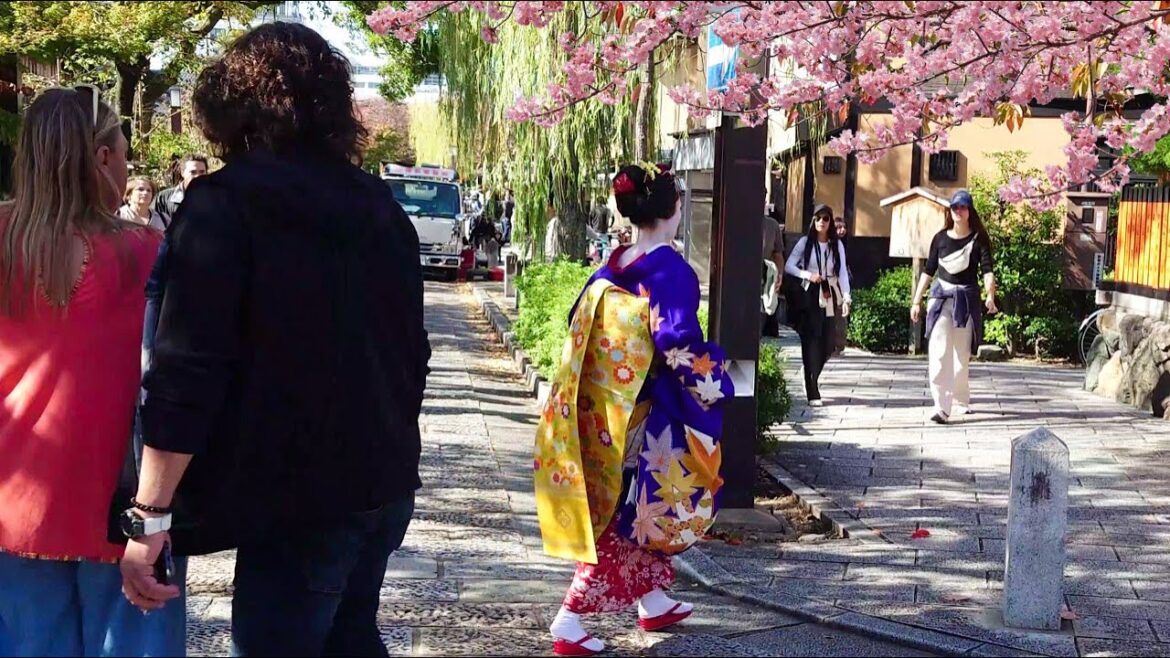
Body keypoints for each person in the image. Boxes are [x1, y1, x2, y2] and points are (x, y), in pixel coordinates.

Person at [118, 23, 430, 657]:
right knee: (349, 636)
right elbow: (412, 353)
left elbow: (186, 369)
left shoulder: (222, 205)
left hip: (296, 497)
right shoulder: (379, 206)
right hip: (381, 479)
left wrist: (149, 515)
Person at [0, 88, 176, 655]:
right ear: (101, 159)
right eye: (122, 152)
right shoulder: (150, 251)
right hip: (124, 508)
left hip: (13, 504)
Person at [535, 163, 734, 657]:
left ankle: (653, 599)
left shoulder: (616, 263)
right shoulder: (671, 270)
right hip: (652, 413)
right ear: (675, 209)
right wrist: (717, 384)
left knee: (633, 505)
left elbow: (576, 318)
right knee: (637, 513)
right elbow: (676, 341)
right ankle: (569, 620)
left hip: (613, 410)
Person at [910, 190, 997, 424]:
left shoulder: (978, 239)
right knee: (938, 354)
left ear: (970, 211)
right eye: (954, 207)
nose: (958, 211)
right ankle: (941, 407)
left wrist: (990, 296)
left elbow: (987, 270)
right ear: (950, 211)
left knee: (961, 357)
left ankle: (960, 398)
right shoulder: (940, 239)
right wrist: (916, 301)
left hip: (966, 302)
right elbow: (929, 271)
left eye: (963, 207)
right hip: (940, 300)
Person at [785, 203, 851, 407]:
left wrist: (847, 297)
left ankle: (813, 375)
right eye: (818, 218)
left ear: (831, 222)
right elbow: (789, 266)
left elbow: (841, 274)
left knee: (829, 342)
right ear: (813, 221)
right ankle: (812, 386)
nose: (822, 222)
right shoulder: (805, 243)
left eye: (826, 218)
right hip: (810, 294)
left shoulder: (836, 245)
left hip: (830, 293)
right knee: (811, 339)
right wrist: (807, 274)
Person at [152, 154, 207, 223]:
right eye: (193, 172)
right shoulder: (164, 198)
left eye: (202, 172)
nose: (198, 176)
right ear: (182, 173)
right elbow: (153, 226)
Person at [761, 212, 786, 337]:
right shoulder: (741, 220)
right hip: (744, 272)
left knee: (765, 311)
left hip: (766, 273)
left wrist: (779, 275)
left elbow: (778, 254)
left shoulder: (772, 225)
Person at [831, 216, 851, 354]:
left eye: (844, 227)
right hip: (831, 281)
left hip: (843, 281)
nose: (842, 230)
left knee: (840, 314)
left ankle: (839, 344)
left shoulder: (845, 244)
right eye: (838, 227)